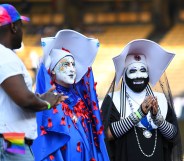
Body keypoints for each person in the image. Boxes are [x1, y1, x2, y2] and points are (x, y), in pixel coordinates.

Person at [0, 4, 66, 161]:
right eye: (21, 26)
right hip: (10, 139)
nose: (23, 32)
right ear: (13, 27)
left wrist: (39, 98)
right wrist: (46, 103)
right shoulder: (5, 56)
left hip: (10, 138)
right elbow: (24, 100)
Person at [31, 29, 110, 161]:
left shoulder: (81, 101)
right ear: (53, 71)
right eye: (66, 65)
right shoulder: (49, 102)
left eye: (73, 64)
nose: (72, 69)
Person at [101, 39, 182, 161]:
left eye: (143, 70)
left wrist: (158, 118)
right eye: (133, 71)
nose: (139, 75)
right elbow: (105, 135)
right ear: (124, 74)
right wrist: (138, 114)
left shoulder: (160, 99)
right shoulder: (113, 100)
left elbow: (173, 136)